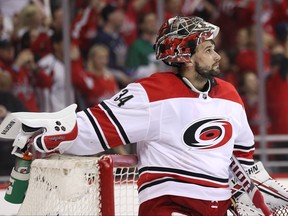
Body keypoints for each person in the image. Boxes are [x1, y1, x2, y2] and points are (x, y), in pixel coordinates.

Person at [2, 16, 256, 215]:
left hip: (218, 207)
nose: (217, 56)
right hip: (170, 207)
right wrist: (49, 134)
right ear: (186, 56)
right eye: (209, 49)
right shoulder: (150, 94)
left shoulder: (230, 95)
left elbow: (243, 157)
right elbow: (93, 129)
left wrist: (255, 191)